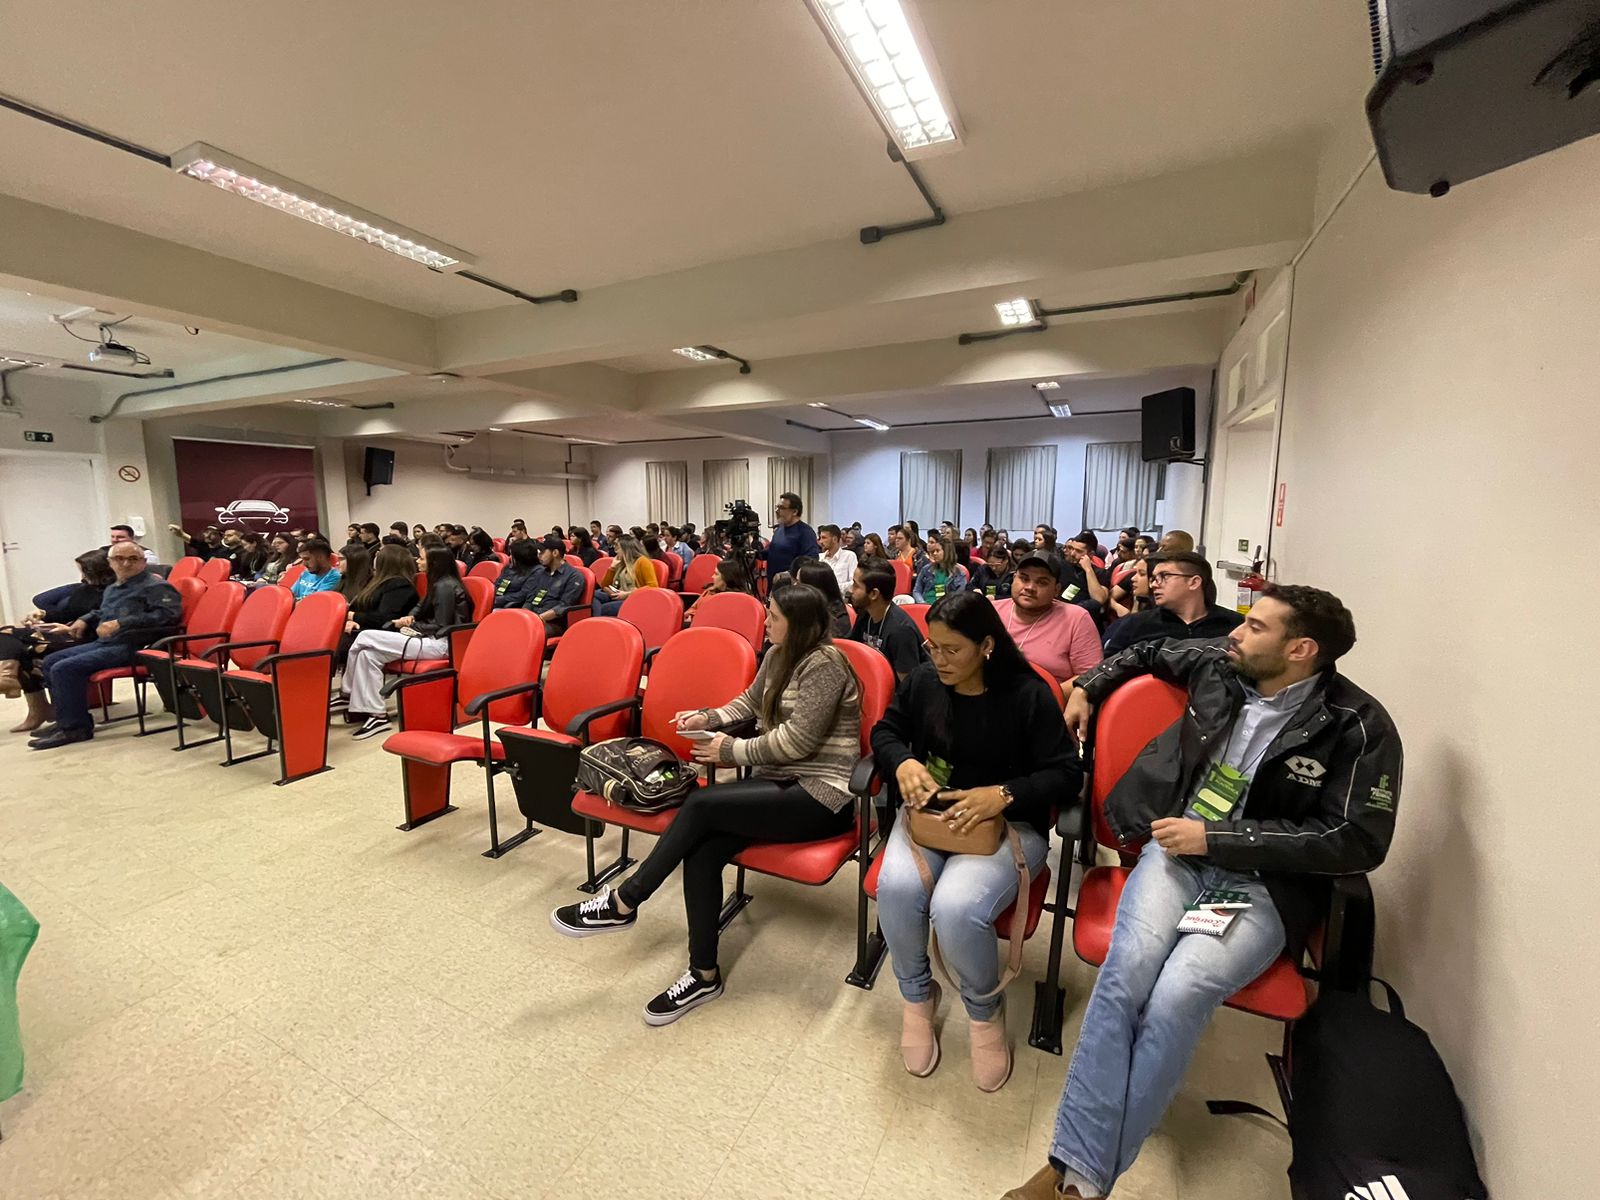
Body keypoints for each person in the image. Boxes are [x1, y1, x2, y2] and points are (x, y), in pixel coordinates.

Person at [1007, 586, 1401, 1200]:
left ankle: (1074, 1176)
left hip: (1261, 882)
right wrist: (1087, 685)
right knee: (1126, 973)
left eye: (1257, 627)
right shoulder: (1221, 663)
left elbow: (1357, 840)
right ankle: (1083, 1180)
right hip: (1176, 856)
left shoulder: (1359, 726)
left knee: (1179, 994)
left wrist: (1220, 838)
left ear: (1301, 650)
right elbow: (1146, 651)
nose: (1235, 633)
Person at [551, 584, 861, 1025]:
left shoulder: (825, 664)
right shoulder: (778, 655)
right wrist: (708, 717)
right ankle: (703, 974)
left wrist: (729, 750)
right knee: (703, 850)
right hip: (778, 789)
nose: (766, 622)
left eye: (774, 616)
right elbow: (749, 702)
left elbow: (798, 741)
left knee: (699, 805)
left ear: (800, 625)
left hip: (820, 796)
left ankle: (624, 901)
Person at [872, 591, 1078, 1091]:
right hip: (931, 818)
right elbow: (885, 732)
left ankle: (984, 1011)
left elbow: (1067, 774)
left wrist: (1004, 794)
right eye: (933, 647)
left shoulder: (1027, 694)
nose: (939, 660)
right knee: (896, 889)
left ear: (987, 646)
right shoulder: (925, 682)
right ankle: (917, 997)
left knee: (957, 906)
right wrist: (903, 761)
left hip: (1009, 825)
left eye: (952, 650)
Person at [29, 544, 182, 750]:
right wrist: (84, 619)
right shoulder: (115, 587)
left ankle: (75, 729)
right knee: (50, 661)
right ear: (110, 563)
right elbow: (103, 612)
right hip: (109, 642)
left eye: (133, 558)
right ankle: (67, 719)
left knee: (64, 668)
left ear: (144, 562)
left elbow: (168, 616)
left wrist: (121, 623)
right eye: (119, 558)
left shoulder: (156, 586)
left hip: (137, 645)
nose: (126, 563)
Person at [338, 546, 473, 740]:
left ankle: (347, 690)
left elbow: (442, 626)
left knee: (365, 637)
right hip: (428, 639)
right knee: (368, 655)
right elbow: (419, 608)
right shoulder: (437, 583)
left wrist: (412, 625)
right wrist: (407, 619)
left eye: (422, 558)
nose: (417, 561)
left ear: (434, 562)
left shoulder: (445, 587)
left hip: (440, 645)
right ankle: (376, 715)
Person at [1, 550, 115, 731]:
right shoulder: (84, 590)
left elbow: (104, 622)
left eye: (84, 571)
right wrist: (42, 615)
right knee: (9, 637)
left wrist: (68, 628)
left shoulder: (112, 592)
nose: (82, 576)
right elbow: (66, 614)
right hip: (67, 632)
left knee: (23, 648)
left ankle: (21, 691)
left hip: (85, 638)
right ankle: (12, 681)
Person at [1101, 551, 1242, 656]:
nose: (1154, 584)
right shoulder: (1136, 625)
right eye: (1154, 578)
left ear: (1194, 582)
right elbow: (1106, 670)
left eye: (1164, 576)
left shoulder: (1235, 625)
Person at [995, 554, 1103, 684]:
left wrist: (1045, 694)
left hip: (1051, 694)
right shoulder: (991, 610)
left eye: (1042, 582)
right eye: (1024, 578)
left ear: (1056, 590)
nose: (1030, 587)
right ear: (1013, 579)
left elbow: (1089, 677)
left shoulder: (1076, 619)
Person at [338, 545, 419, 673]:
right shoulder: (377, 582)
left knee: (335, 644)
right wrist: (351, 620)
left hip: (385, 633)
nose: (374, 557)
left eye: (378, 554)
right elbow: (361, 608)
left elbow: (383, 619)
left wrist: (352, 616)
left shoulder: (399, 585)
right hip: (365, 629)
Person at [847, 564, 926, 680]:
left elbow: (907, 684)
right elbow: (852, 652)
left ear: (874, 594)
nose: (850, 590)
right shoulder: (865, 613)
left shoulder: (901, 631)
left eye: (856, 585)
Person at [523, 536, 585, 629]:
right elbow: (530, 599)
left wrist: (538, 618)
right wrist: (524, 616)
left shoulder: (574, 576)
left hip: (554, 622)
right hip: (534, 618)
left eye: (542, 552)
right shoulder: (540, 573)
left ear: (555, 553)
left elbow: (563, 606)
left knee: (525, 632)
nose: (539, 556)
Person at [594, 534, 658, 616]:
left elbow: (653, 586)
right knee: (593, 595)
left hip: (634, 598)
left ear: (626, 549)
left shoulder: (642, 561)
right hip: (618, 594)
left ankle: (597, 619)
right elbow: (604, 585)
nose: (615, 549)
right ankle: (597, 618)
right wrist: (612, 568)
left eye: (617, 546)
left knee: (604, 609)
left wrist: (627, 594)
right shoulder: (621, 562)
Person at [765, 492, 820, 580]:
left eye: (781, 508)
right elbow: (774, 552)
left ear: (794, 511)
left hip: (792, 584)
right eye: (777, 507)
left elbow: (811, 560)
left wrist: (788, 574)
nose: (776, 510)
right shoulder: (779, 530)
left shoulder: (805, 532)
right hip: (774, 583)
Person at [1060, 532, 1111, 615]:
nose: (1072, 553)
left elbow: (1099, 599)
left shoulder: (1100, 573)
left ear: (1091, 554)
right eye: (1072, 549)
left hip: (1085, 615)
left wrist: (1088, 569)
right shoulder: (1063, 567)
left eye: (1078, 551)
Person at [796, 562, 852, 638]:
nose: (794, 586)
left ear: (812, 588)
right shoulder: (803, 609)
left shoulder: (838, 622)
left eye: (799, 583)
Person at [912, 531, 967, 603]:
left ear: (947, 552)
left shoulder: (959, 574)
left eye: (937, 551)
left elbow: (958, 598)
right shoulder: (926, 569)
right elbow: (917, 591)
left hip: (945, 606)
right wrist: (922, 602)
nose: (934, 553)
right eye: (933, 551)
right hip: (924, 604)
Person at [1106, 557, 1154, 624]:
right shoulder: (1131, 577)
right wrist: (1117, 607)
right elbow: (1106, 597)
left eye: (1142, 574)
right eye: (1136, 572)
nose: (1133, 578)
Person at [817, 524, 857, 592]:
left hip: (840, 596)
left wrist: (834, 588)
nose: (820, 541)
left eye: (824, 538)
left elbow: (854, 582)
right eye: (820, 538)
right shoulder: (819, 557)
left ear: (834, 539)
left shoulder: (849, 556)